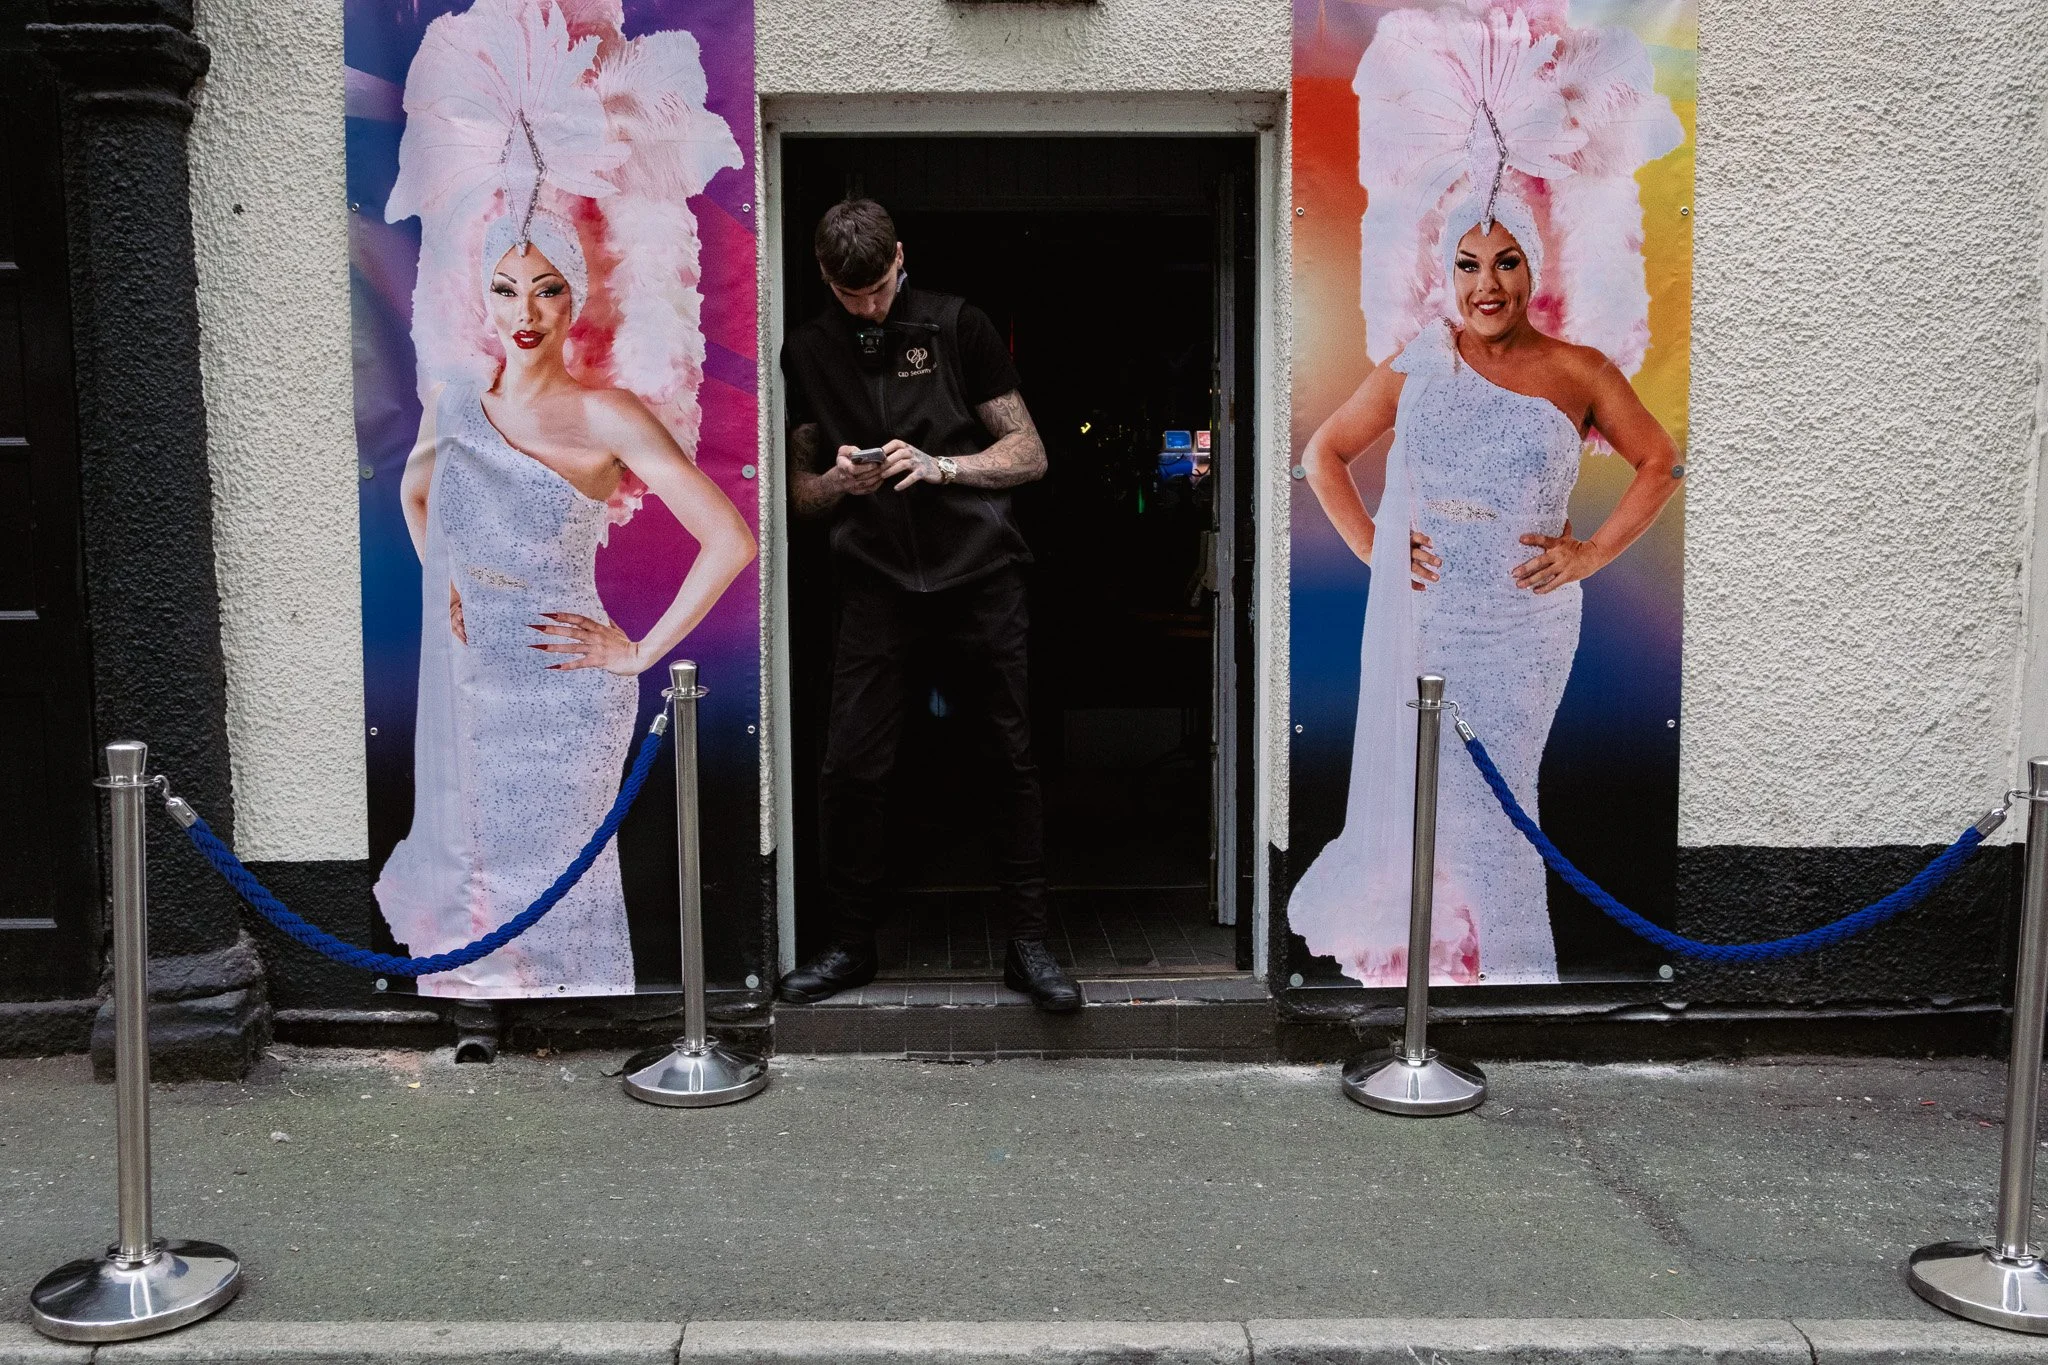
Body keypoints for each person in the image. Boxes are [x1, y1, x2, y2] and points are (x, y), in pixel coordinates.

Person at [1286, 194, 1680, 987]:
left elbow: (1660, 462)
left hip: (1525, 627)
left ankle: (1520, 975)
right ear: (1447, 273)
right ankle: (1461, 973)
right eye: (1468, 265)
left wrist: (1592, 552)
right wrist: (1377, 547)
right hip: (1429, 620)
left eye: (1506, 262)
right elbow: (1324, 453)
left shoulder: (1580, 370)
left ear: (1534, 267)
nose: (1486, 285)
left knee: (1496, 806)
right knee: (1449, 806)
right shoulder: (1419, 361)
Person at [375, 212, 757, 998]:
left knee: (563, 867)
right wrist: (446, 581)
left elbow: (729, 537)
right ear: (482, 297)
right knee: (475, 852)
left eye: (548, 291)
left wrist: (641, 651)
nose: (526, 312)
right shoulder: (450, 404)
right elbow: (415, 495)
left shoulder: (608, 414)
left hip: (571, 687)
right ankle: (479, 1002)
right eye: (507, 290)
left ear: (574, 299)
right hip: (475, 678)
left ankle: (573, 1005)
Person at [776, 197, 1076, 1012]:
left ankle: (1029, 944)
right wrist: (840, 481)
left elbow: (1031, 452)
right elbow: (797, 497)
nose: (870, 305)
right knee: (851, 766)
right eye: (853, 295)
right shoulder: (804, 349)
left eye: (879, 287)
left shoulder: (956, 325)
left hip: (981, 574)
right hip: (875, 580)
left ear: (901, 256)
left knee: (1009, 756)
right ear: (826, 280)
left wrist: (942, 467)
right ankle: (848, 944)